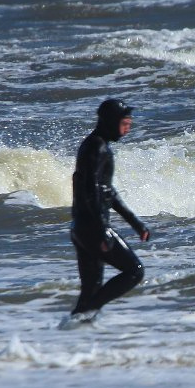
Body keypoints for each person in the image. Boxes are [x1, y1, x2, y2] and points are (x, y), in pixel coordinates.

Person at [69, 98, 150, 320]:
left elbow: (107, 192)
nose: (128, 127)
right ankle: (86, 311)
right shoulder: (97, 146)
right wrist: (102, 229)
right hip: (92, 228)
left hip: (82, 228)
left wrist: (135, 223)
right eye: (125, 122)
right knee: (135, 271)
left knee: (89, 292)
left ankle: (76, 328)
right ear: (110, 122)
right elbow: (90, 188)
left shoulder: (95, 145)